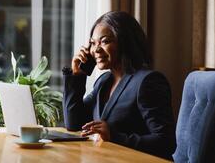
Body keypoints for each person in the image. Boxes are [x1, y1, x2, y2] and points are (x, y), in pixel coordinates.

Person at [62, 11, 176, 160]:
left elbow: (166, 142)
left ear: (125, 42)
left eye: (104, 41)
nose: (96, 50)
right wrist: (77, 75)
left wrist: (115, 136)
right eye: (93, 43)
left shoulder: (148, 81)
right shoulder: (104, 82)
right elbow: (74, 124)